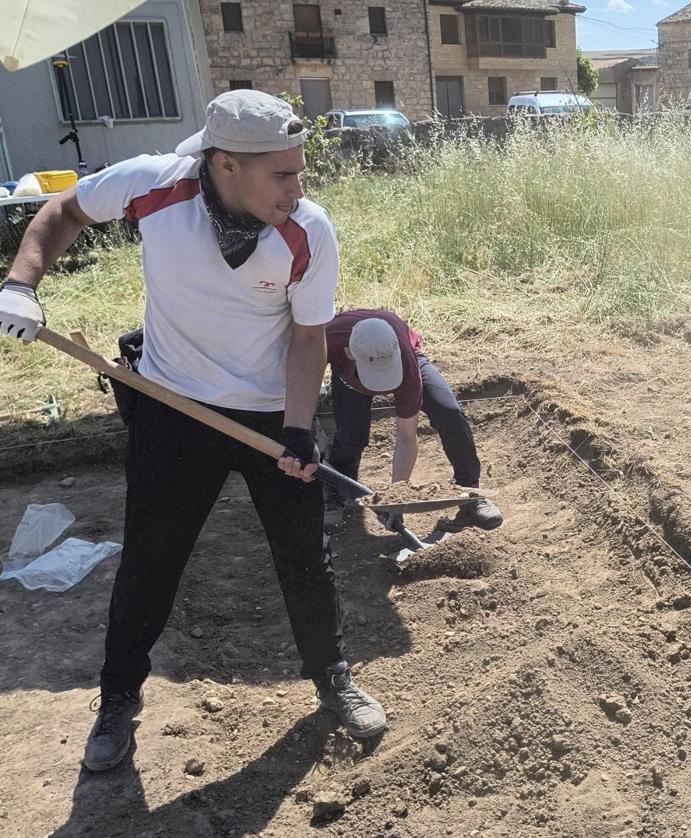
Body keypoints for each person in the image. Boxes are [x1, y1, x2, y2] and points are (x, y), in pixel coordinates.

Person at [0, 90, 386, 772]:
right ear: (225, 164)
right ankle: (118, 697)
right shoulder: (151, 186)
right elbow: (63, 210)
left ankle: (331, 677)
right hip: (172, 407)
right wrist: (22, 282)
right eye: (283, 175)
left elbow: (306, 338)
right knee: (152, 560)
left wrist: (298, 429)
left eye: (300, 172)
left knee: (305, 555)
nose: (299, 189)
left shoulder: (307, 230)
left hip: (271, 412)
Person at [323, 309, 503, 533]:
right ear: (349, 353)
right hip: (348, 373)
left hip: (404, 358)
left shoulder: (406, 361)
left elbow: (406, 438)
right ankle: (336, 496)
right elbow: (303, 381)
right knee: (351, 435)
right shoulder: (327, 339)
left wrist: (395, 500)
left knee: (448, 412)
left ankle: (471, 495)